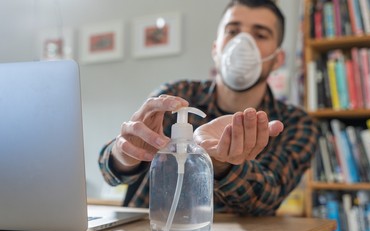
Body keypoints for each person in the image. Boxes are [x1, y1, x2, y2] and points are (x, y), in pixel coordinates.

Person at [98, 0, 319, 216]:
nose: (243, 43)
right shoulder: (176, 98)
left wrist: (222, 164)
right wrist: (125, 155)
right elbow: (110, 174)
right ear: (216, 49)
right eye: (233, 32)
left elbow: (267, 197)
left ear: (278, 59)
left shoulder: (295, 123)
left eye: (260, 35)